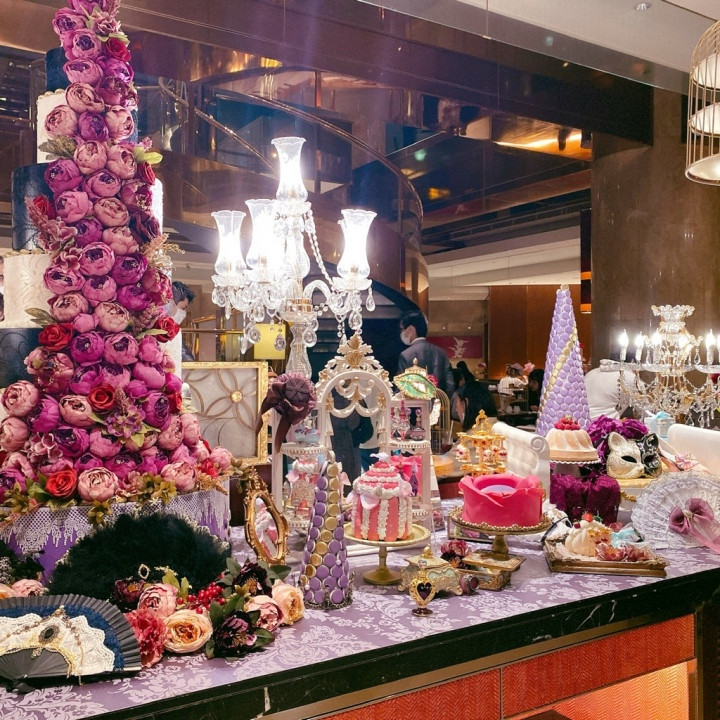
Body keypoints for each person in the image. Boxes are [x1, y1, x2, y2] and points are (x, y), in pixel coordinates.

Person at [397, 311, 455, 395]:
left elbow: (402, 388)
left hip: (416, 403)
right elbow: (450, 385)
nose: (402, 333)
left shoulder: (406, 355)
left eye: (402, 329)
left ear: (410, 329)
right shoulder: (441, 353)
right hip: (438, 401)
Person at [168, 281, 196, 362]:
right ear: (171, 304)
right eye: (183, 308)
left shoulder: (173, 330)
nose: (184, 314)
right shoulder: (159, 330)